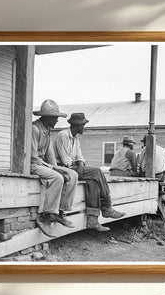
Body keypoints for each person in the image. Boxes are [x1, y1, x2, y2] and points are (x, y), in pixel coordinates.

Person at [53, 113, 125, 232]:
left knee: (93, 181)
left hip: (72, 167)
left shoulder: (75, 139)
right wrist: (79, 166)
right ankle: (106, 207)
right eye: (82, 125)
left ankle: (93, 220)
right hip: (61, 169)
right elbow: (66, 161)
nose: (83, 128)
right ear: (76, 125)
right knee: (96, 171)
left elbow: (79, 156)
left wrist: (80, 165)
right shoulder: (63, 135)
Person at [31, 99, 78, 237]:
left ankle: (61, 212)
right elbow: (33, 157)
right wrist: (53, 168)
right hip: (33, 164)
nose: (57, 121)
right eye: (55, 118)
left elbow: (49, 152)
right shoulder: (35, 129)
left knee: (72, 174)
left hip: (43, 164)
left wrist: (58, 168)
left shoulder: (47, 129)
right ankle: (46, 215)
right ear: (48, 117)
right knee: (57, 177)